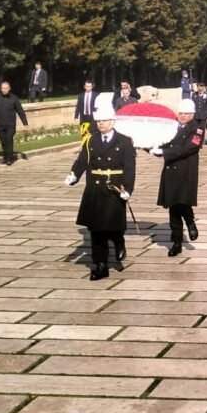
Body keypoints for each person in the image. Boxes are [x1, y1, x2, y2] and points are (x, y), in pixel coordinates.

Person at [64, 94, 135, 280]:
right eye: (98, 121)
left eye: (104, 120)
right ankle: (100, 265)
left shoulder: (124, 141)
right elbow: (82, 161)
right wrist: (74, 175)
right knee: (96, 230)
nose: (100, 124)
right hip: (95, 189)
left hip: (114, 188)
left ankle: (119, 240)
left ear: (112, 121)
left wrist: (128, 188)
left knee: (112, 226)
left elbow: (129, 168)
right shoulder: (91, 140)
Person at [151, 99, 202, 257]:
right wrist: (147, 145)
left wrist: (165, 153)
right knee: (173, 207)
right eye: (180, 113)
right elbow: (161, 142)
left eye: (186, 113)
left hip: (185, 171)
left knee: (182, 201)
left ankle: (190, 221)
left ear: (192, 114)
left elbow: (188, 148)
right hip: (171, 170)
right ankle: (177, 241)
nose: (182, 116)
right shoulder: (171, 126)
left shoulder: (197, 129)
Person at [0, 80, 28, 166]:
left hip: (10, 124)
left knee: (9, 139)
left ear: (9, 89)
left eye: (6, 88)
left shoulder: (14, 98)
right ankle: (5, 157)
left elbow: (20, 111)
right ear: (1, 89)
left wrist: (25, 123)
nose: (4, 90)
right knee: (3, 141)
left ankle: (9, 159)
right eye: (3, 88)